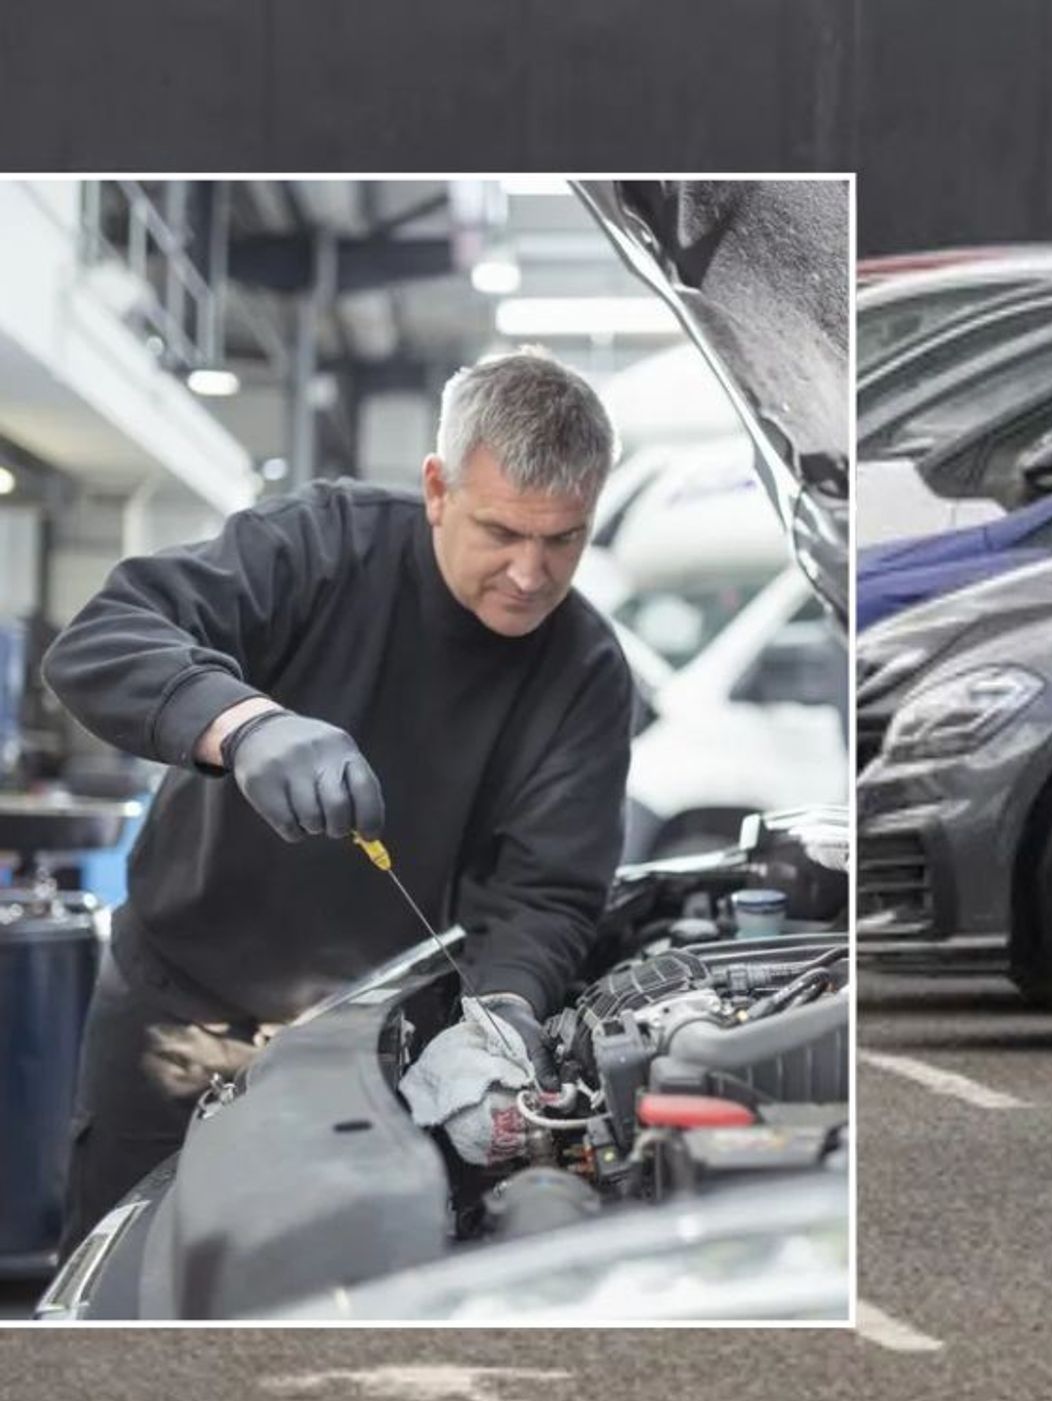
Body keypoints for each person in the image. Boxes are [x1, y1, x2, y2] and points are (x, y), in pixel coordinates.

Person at [42, 348, 633, 1255]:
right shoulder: (320, 547)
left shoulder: (584, 672)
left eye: (563, 539)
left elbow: (545, 892)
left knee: (325, 1287)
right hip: (180, 1019)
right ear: (437, 488)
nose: (530, 573)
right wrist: (240, 725)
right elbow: (103, 640)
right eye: (502, 532)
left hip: (377, 1058)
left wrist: (505, 1016)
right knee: (130, 1280)